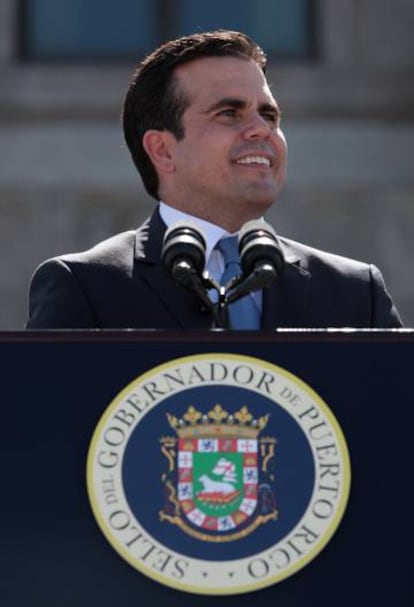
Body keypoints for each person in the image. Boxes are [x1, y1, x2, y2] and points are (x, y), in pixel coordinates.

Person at [25, 30, 402, 329]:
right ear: (162, 150)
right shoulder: (85, 287)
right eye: (229, 114)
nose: (261, 130)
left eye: (269, 116)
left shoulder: (354, 294)